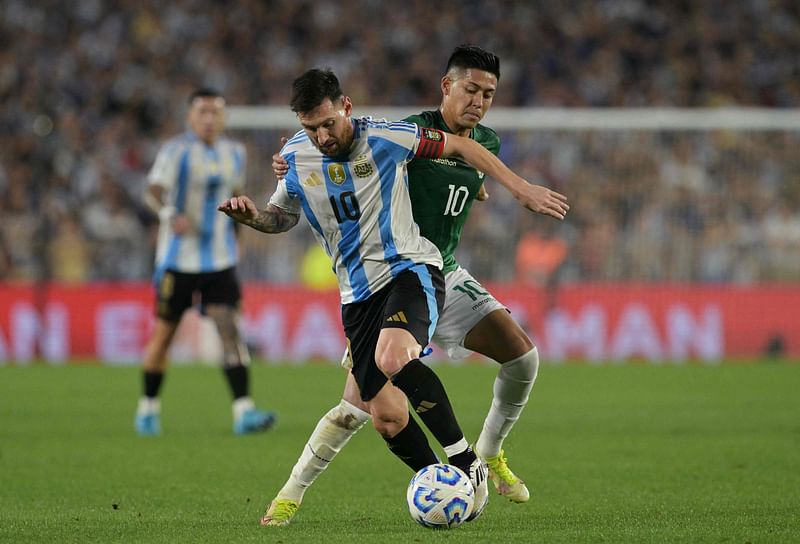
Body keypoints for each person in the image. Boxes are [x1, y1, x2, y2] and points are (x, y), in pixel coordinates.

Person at [221, 65, 568, 526]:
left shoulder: (387, 135)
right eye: (311, 128)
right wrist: (254, 219)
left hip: (410, 268)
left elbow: (461, 145)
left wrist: (519, 189)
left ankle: (468, 462)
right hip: (356, 297)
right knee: (383, 416)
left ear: (346, 107)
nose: (323, 136)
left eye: (329, 123)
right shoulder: (297, 155)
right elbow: (281, 217)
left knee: (395, 356)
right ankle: (447, 487)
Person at [134, 88, 276, 436]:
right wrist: (170, 214)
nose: (209, 119)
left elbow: (238, 197)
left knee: (230, 330)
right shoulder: (175, 151)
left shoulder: (235, 153)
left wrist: (239, 238)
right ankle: (148, 407)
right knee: (164, 337)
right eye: (202, 112)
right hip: (178, 260)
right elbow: (152, 190)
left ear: (224, 118)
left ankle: (244, 411)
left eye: (215, 112)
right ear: (190, 117)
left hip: (219, 260)